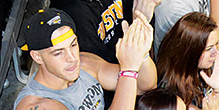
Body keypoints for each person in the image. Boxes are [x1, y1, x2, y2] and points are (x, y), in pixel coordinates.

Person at [13, 8, 155, 110]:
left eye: (73, 45)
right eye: (58, 53)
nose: (72, 58)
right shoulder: (36, 105)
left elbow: (145, 86)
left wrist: (141, 53)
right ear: (37, 57)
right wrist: (128, 70)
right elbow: (129, 78)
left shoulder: (85, 63)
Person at [157, 13, 219, 109]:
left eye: (216, 45)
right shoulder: (175, 98)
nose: (216, 52)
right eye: (209, 48)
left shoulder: (194, 68)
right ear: (190, 51)